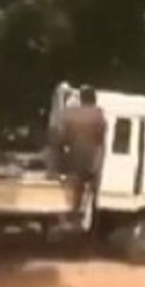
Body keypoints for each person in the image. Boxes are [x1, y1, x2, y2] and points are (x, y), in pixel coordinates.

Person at [53, 84, 107, 221]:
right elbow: (101, 136)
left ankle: (71, 209)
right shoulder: (98, 113)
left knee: (75, 182)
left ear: (81, 98)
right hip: (91, 156)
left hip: (74, 155)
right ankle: (81, 212)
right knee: (86, 184)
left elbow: (63, 135)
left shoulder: (71, 113)